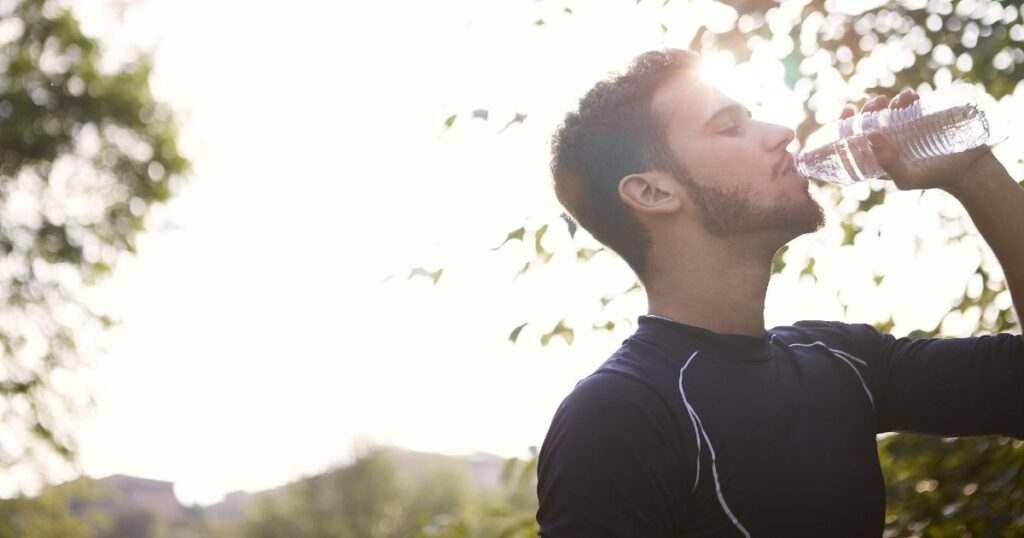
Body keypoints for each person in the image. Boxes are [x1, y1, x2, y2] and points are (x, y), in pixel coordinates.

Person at [535, 48, 1024, 537]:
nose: (782, 133)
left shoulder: (840, 358)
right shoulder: (617, 416)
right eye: (730, 127)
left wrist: (974, 174)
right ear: (654, 193)